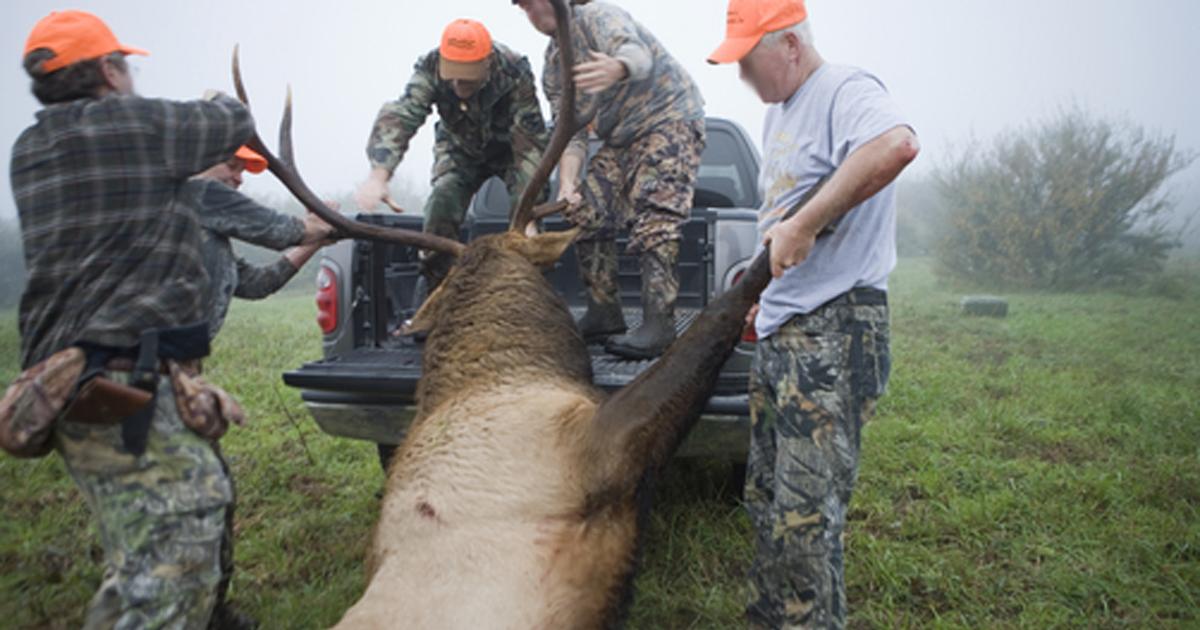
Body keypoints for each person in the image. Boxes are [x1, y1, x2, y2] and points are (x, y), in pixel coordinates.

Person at [12, 10, 255, 628]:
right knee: (175, 563)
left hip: (69, 384)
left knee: (138, 567)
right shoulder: (136, 125)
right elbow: (232, 121)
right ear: (109, 71)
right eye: (127, 66)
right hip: (127, 387)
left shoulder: (30, 148)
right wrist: (217, 97)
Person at [707, 0, 920, 627]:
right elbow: (781, 226)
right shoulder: (780, 115)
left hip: (834, 331)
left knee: (805, 519)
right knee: (769, 501)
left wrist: (805, 222)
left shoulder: (843, 89)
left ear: (791, 45)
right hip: (784, 332)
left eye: (749, 61)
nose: (743, 76)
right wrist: (763, 306)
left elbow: (896, 144)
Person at [514, 0, 707, 359]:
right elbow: (570, 131)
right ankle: (604, 312)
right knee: (585, 211)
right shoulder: (555, 65)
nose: (531, 13)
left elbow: (638, 54)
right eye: (523, 8)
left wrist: (618, 66)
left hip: (668, 120)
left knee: (655, 216)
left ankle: (658, 325)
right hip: (620, 139)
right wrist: (568, 183)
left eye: (534, 2)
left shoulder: (597, 16)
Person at [355, 18, 548, 291]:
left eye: (466, 76)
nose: (457, 84)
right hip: (459, 150)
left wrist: (529, 214)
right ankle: (437, 287)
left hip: (509, 150)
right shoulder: (430, 67)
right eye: (452, 74)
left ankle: (530, 285)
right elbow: (403, 114)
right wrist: (378, 175)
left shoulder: (514, 69)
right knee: (441, 200)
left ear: (487, 63)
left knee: (526, 213)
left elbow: (530, 141)